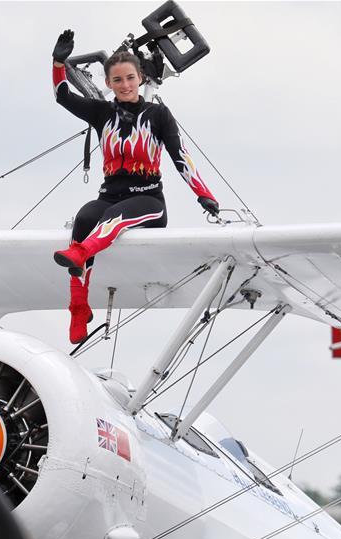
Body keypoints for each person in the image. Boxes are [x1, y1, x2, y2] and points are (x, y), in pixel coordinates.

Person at [51, 29, 219, 343]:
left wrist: (204, 195)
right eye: (117, 80)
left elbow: (179, 156)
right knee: (85, 218)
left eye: (130, 78)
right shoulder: (102, 113)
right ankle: (78, 307)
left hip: (148, 201)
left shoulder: (158, 114)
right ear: (108, 84)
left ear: (140, 78)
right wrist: (58, 62)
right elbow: (62, 96)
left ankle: (82, 252)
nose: (125, 85)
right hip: (110, 195)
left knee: (112, 219)